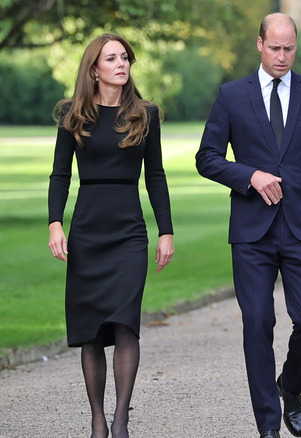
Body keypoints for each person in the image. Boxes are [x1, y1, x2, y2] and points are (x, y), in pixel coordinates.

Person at [195, 13, 301, 438]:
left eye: (289, 48)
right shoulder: (230, 96)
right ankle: (267, 427)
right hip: (251, 232)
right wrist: (250, 176)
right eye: (275, 47)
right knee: (258, 323)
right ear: (259, 44)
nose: (282, 56)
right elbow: (206, 158)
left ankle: (291, 384)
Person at [47, 33, 174, 438]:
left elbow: (155, 176)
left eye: (125, 58)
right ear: (94, 68)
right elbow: (60, 175)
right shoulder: (73, 114)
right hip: (87, 229)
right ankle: (97, 421)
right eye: (112, 58)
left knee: (124, 324)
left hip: (129, 233)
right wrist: (55, 223)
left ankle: (120, 422)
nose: (121, 64)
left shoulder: (145, 114)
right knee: (91, 330)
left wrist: (165, 231)